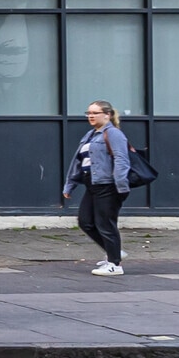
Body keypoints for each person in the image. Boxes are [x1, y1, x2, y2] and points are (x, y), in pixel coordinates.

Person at [64, 100, 130, 276]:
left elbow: (122, 159)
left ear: (107, 115)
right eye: (89, 113)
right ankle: (114, 251)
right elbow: (78, 161)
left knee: (105, 224)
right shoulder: (90, 135)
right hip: (92, 183)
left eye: (95, 113)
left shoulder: (113, 133)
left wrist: (120, 185)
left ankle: (115, 265)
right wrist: (70, 185)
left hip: (108, 184)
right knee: (85, 221)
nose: (90, 116)